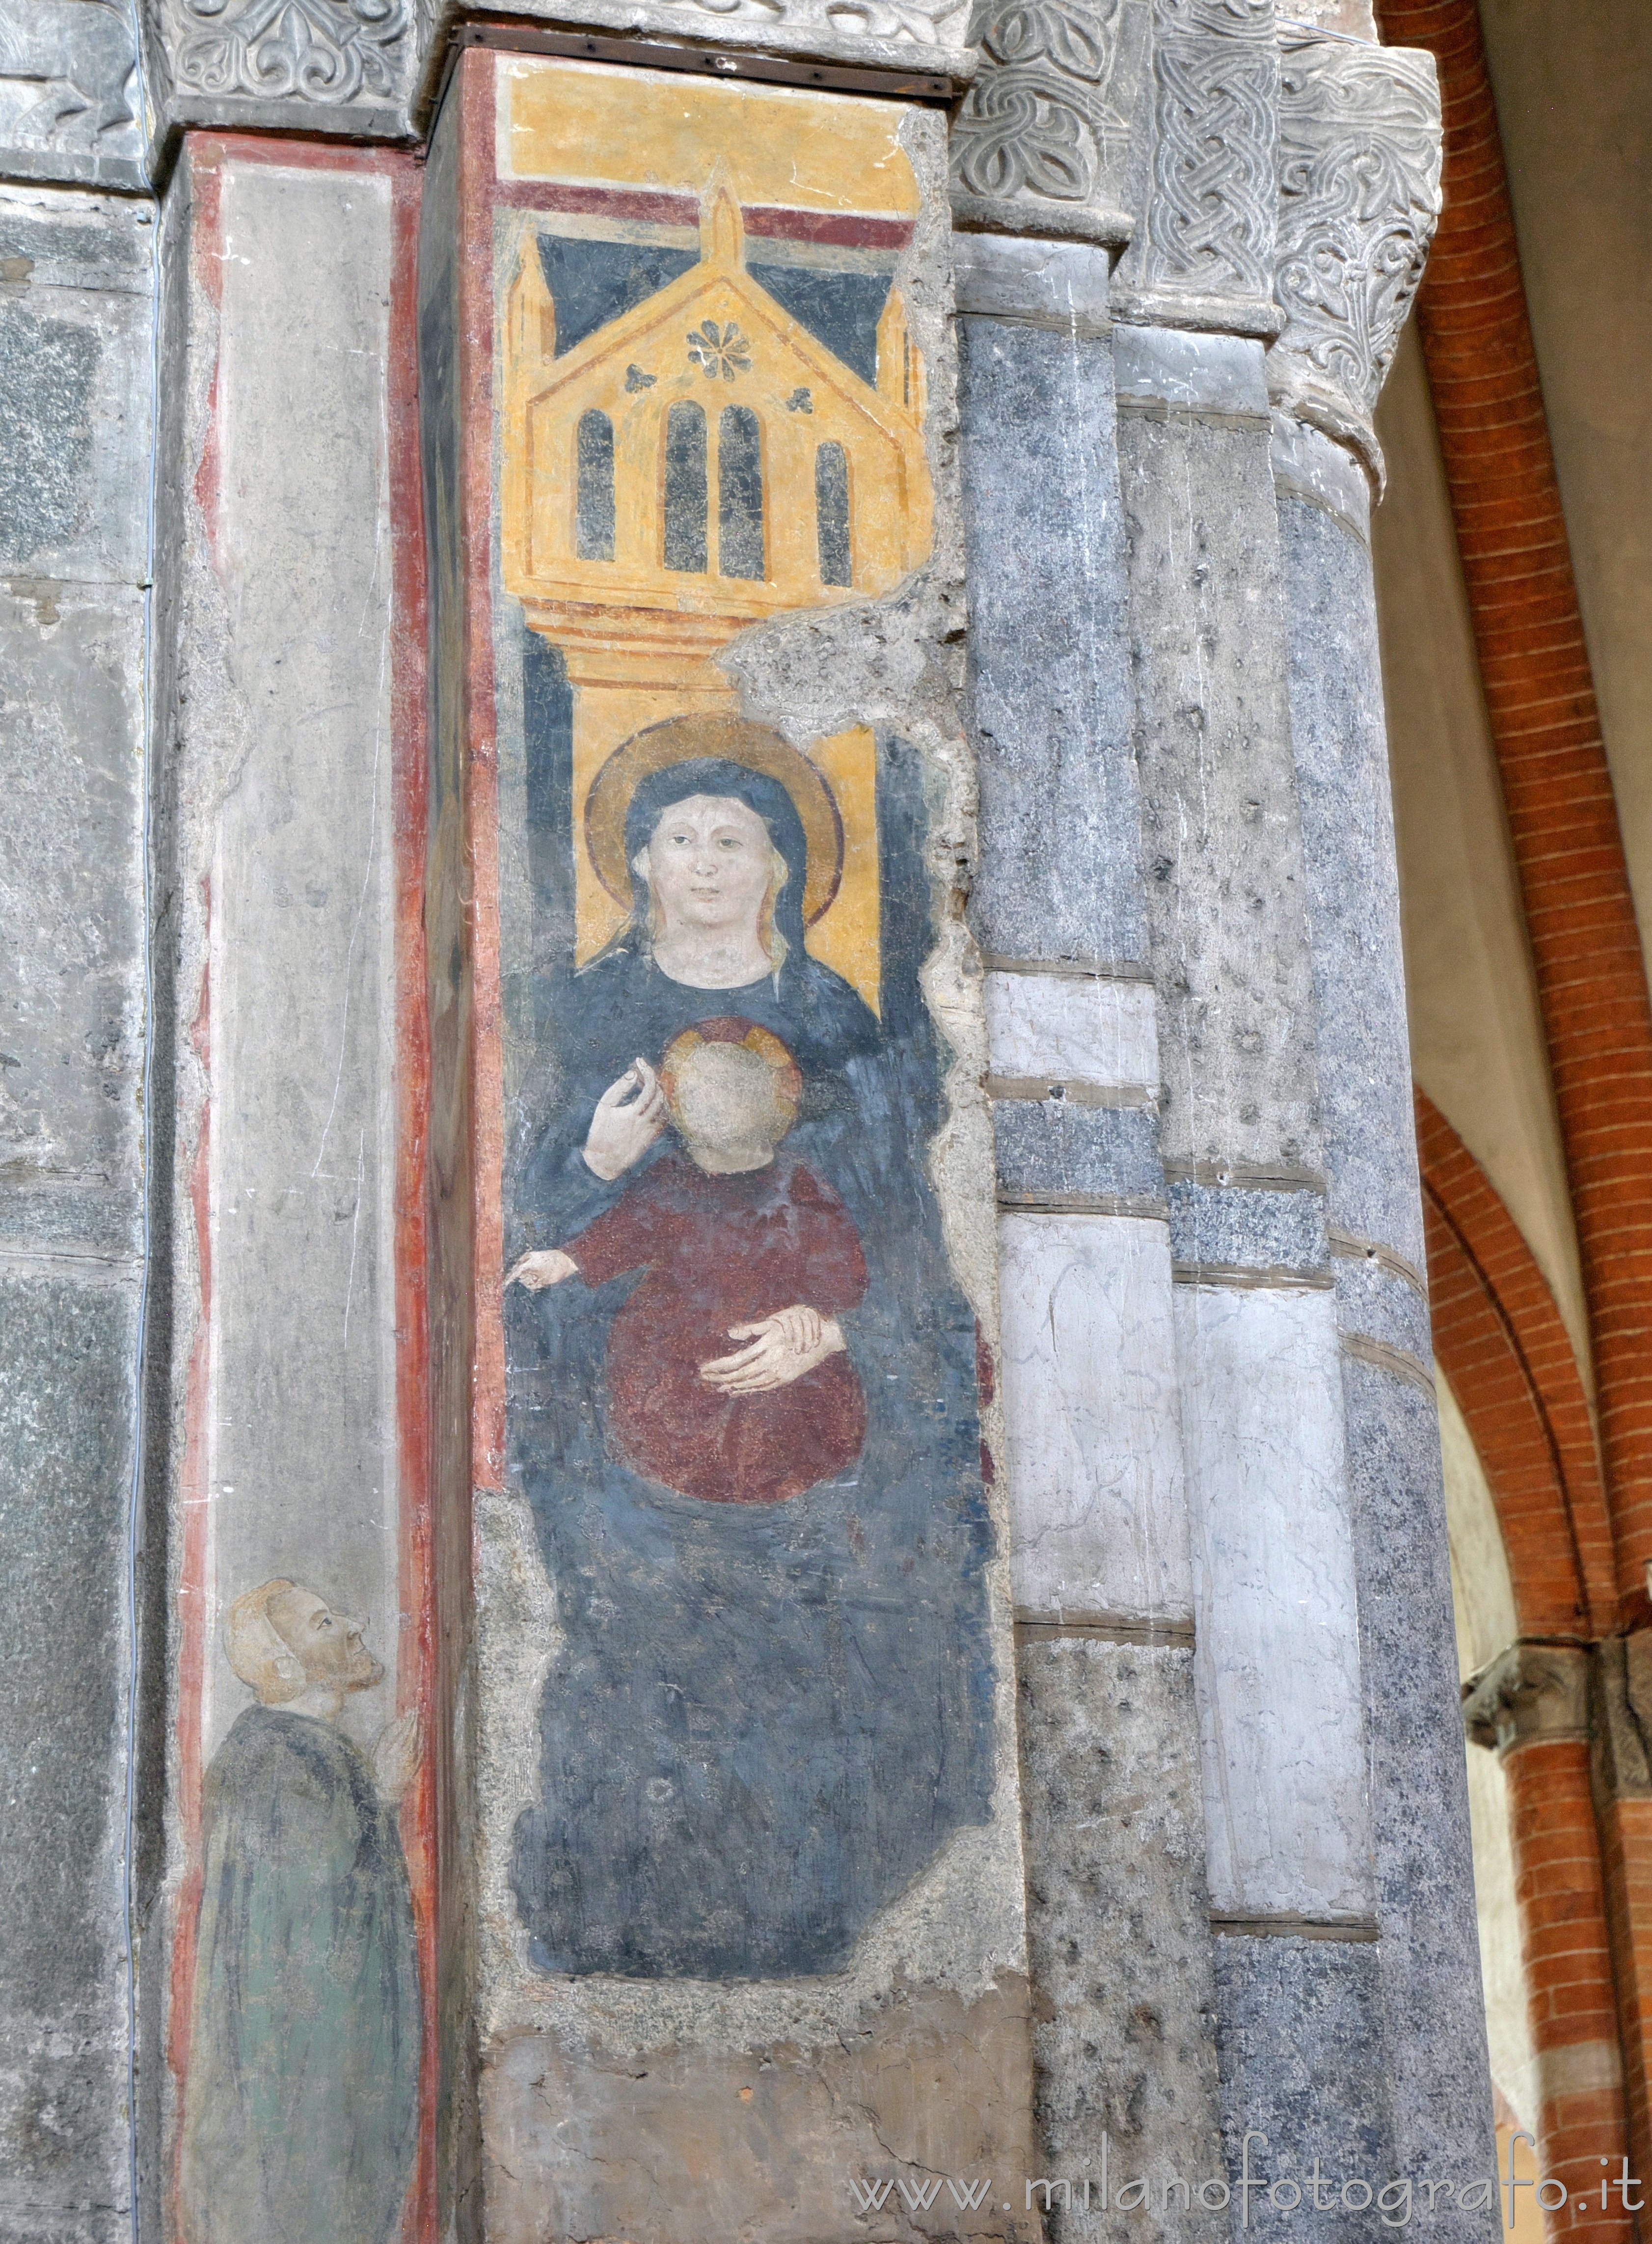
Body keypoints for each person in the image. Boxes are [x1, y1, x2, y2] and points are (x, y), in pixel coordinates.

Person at [507, 722, 994, 1980]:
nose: (707, 863)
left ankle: (805, 1918)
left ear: (782, 868)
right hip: (621, 1435)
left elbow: (899, 1224)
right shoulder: (580, 1011)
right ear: (638, 863)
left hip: (803, 1432)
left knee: (806, 1660)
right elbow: (517, 1217)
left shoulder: (834, 1018)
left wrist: (831, 1323)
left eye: (736, 839)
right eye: (679, 839)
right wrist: (591, 1167)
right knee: (634, 1657)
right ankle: (618, 1913)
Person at [511, 1016, 868, 1505]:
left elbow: (841, 1273)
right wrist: (565, 1260)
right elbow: (623, 1231)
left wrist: (815, 1320)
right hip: (674, 1360)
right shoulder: (670, 1180)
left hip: (777, 1359)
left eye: (734, 1091)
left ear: (772, 1099)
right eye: (704, 1093)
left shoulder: (800, 1186)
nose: (718, 1105)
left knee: (776, 1436)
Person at [180, 1581, 421, 2244]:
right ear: (285, 1660)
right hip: (298, 2047)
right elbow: (316, 1898)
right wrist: (384, 1796)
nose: (349, 1624)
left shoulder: (308, 1746)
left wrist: (377, 1795)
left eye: (337, 1610)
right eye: (324, 1621)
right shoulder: (279, 1754)